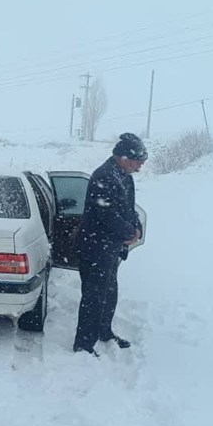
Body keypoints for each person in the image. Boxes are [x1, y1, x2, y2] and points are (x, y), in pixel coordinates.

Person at [73, 132, 147, 357]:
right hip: (94, 247)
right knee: (93, 296)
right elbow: (106, 214)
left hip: (111, 248)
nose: (139, 168)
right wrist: (127, 231)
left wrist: (136, 228)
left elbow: (128, 207)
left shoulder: (124, 175)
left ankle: (104, 331)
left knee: (109, 292)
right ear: (123, 157)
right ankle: (83, 344)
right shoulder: (103, 176)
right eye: (137, 162)